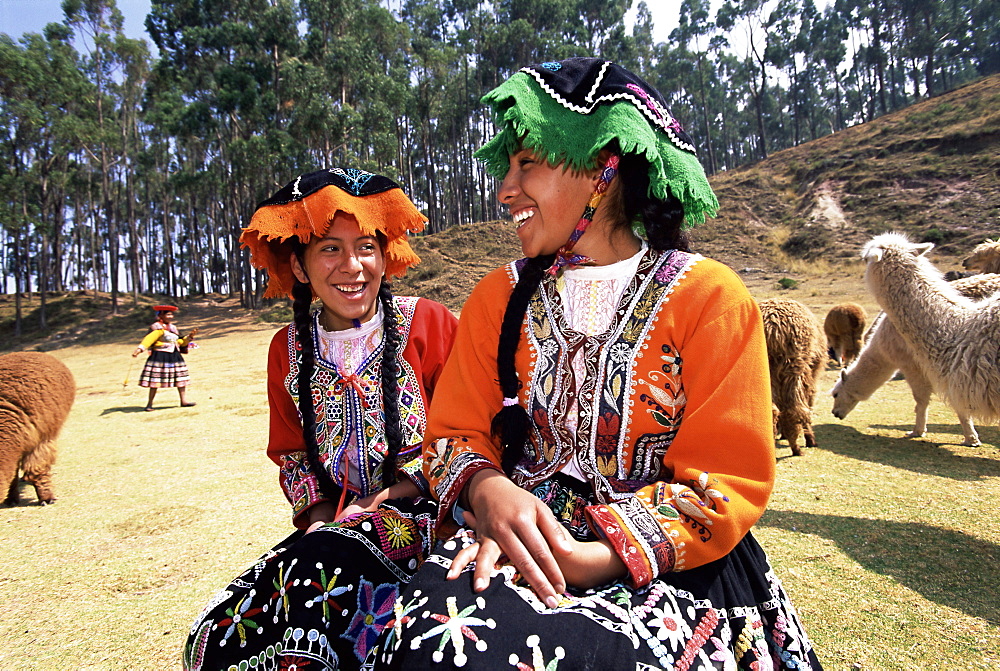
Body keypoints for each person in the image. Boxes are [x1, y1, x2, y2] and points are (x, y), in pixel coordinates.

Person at [374, 58, 822, 670]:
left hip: (669, 571)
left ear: (602, 169)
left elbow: (727, 479)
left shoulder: (711, 298)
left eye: (527, 163)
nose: (506, 188)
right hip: (516, 534)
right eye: (507, 167)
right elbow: (454, 432)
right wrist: (489, 487)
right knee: (394, 612)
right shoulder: (496, 298)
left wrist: (593, 557)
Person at [183, 168, 458, 671]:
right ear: (302, 268)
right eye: (331, 248)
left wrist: (397, 493)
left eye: (366, 247)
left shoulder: (429, 323)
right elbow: (291, 454)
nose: (352, 265)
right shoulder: (286, 349)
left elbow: (466, 429)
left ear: (384, 256)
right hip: (332, 528)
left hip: (432, 517)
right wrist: (316, 519)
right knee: (221, 632)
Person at [132, 305, 198, 411]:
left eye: (171, 314)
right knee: (155, 379)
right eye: (168, 314)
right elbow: (149, 339)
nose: (171, 316)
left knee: (180, 378)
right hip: (160, 356)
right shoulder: (157, 327)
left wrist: (189, 337)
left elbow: (179, 342)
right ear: (161, 315)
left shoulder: (173, 328)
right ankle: (149, 404)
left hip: (174, 355)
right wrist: (140, 349)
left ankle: (183, 400)